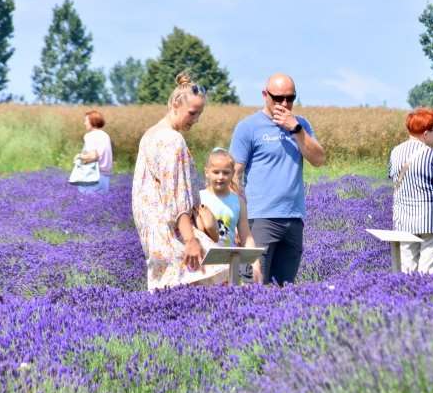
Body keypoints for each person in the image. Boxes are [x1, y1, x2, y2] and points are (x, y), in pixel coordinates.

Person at [131, 73, 226, 291]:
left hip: (154, 234)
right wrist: (191, 240)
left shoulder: (150, 134)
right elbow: (176, 196)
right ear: (176, 104)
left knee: (168, 294)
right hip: (174, 234)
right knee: (209, 279)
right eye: (192, 113)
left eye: (199, 114)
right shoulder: (172, 140)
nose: (195, 120)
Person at [229, 73, 325, 285]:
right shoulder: (248, 127)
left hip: (293, 219)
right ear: (265, 95)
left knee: (284, 291)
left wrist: (295, 129)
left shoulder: (302, 125)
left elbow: (319, 159)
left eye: (290, 99)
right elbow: (234, 174)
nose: (285, 104)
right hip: (259, 219)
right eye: (278, 98)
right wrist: (237, 222)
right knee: (251, 286)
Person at [389, 107, 433, 274]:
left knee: (407, 273)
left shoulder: (395, 153)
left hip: (404, 222)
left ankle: (407, 299)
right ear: (425, 133)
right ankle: (426, 300)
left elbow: (397, 181)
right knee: (429, 274)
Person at [196, 148, 262, 283]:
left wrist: (255, 264)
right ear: (206, 172)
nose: (221, 177)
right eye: (216, 172)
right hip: (203, 266)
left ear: (233, 174)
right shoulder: (199, 198)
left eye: (226, 173)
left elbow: (246, 237)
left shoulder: (238, 202)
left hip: (230, 263)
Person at [77, 110, 113, 194]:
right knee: (100, 205)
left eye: (86, 121)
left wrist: (79, 157)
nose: (84, 123)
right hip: (105, 177)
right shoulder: (105, 135)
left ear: (92, 121)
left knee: (86, 204)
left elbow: (93, 156)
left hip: (92, 177)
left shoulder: (90, 136)